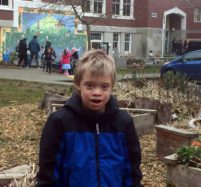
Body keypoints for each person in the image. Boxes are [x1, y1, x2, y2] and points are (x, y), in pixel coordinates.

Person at [35, 49, 143, 186]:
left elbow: (132, 170)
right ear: (78, 84)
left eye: (104, 87)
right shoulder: (60, 122)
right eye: (90, 85)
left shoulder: (123, 123)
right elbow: (48, 172)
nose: (97, 92)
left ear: (112, 86)